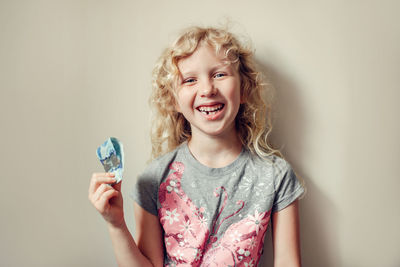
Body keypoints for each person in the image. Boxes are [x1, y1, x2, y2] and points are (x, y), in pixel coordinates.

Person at [88, 26, 305, 267]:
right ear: (174, 101)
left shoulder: (275, 176)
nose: (207, 89)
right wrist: (115, 224)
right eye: (190, 80)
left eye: (219, 74)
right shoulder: (153, 180)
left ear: (244, 88)